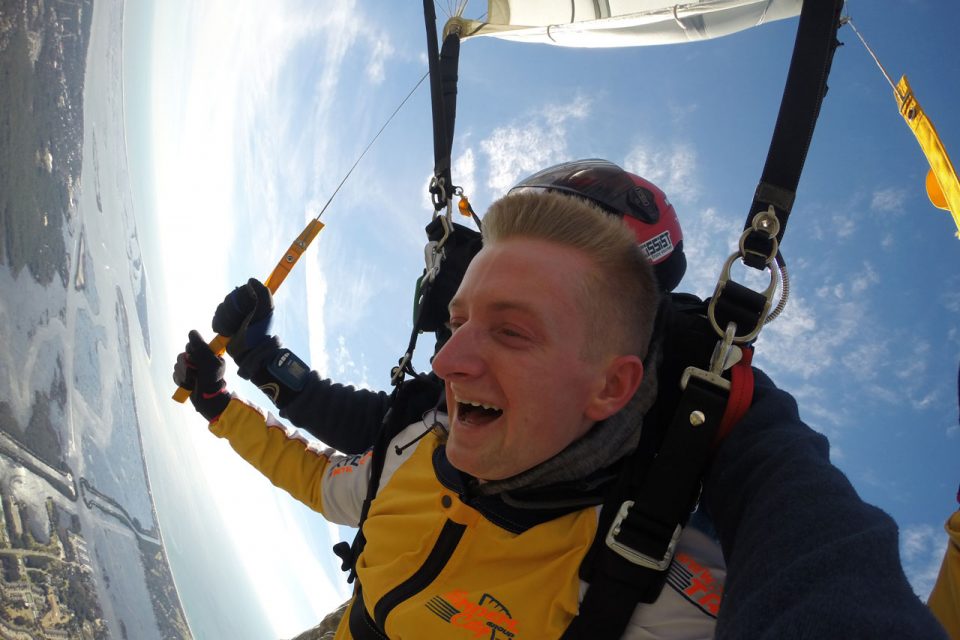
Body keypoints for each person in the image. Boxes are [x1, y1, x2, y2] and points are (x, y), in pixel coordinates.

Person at [175, 178, 948, 638]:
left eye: (511, 331)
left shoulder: (653, 579)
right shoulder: (417, 450)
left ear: (613, 384)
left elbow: (817, 563)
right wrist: (225, 394)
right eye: (457, 324)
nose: (446, 362)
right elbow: (322, 474)